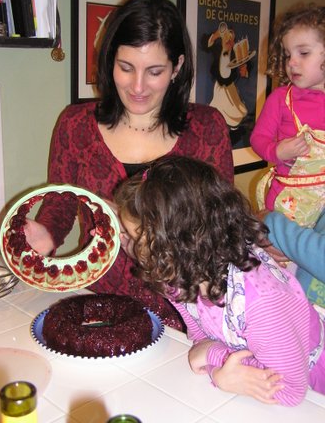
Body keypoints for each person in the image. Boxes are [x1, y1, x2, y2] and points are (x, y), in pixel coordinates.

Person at [24, 0, 234, 331]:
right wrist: (46, 234)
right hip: (98, 302)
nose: (137, 86)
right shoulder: (75, 124)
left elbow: (218, 230)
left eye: (154, 72)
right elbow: (61, 203)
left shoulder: (207, 128)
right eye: (126, 68)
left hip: (185, 316)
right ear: (111, 62)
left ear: (177, 67)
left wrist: (139, 225)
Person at [114, 155, 325, 407]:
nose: (124, 241)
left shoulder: (261, 303)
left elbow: (289, 391)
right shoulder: (180, 276)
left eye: (132, 236)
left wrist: (219, 367)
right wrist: (216, 360)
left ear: (175, 243)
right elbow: (202, 340)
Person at [250, 3, 325, 228]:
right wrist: (277, 151)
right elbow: (257, 139)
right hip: (288, 202)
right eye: (287, 54)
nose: (292, 62)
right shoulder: (281, 99)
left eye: (303, 53)